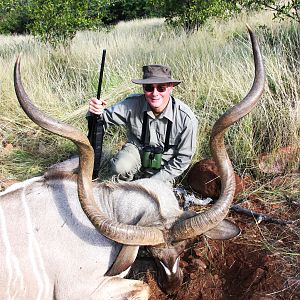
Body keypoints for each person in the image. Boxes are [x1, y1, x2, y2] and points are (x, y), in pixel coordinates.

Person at [88, 64, 198, 184]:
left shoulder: (186, 118)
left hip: (164, 170)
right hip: (136, 154)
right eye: (149, 88)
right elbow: (101, 119)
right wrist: (95, 111)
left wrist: (152, 183)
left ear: (170, 87)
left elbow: (183, 159)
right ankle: (119, 186)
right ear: (143, 88)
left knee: (156, 196)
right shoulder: (132, 104)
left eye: (161, 88)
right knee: (120, 167)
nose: (155, 93)